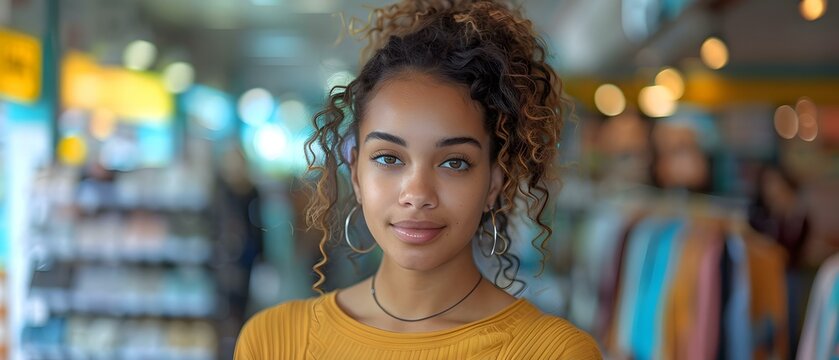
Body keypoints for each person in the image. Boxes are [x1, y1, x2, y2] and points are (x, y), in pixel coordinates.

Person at [235, 0, 601, 358]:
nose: (417, 193)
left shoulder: (554, 352)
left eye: (454, 163)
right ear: (356, 173)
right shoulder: (272, 341)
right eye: (389, 158)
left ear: (494, 183)